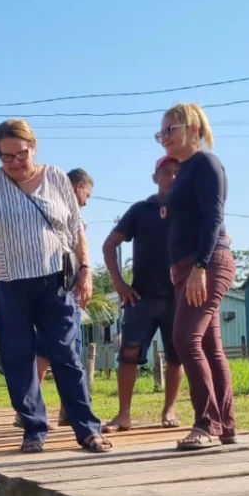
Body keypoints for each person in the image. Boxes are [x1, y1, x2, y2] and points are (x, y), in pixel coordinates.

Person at [0, 119, 111, 454]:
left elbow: (76, 228)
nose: (14, 163)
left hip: (56, 280)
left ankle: (87, 430)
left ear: (33, 147)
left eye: (20, 155)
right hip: (11, 283)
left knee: (67, 354)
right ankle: (34, 429)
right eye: (6, 157)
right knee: (19, 357)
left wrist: (85, 269)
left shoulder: (56, 178)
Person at [156, 103, 236, 450]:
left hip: (205, 266)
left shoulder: (206, 163)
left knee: (185, 339)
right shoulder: (185, 170)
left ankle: (206, 423)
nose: (164, 139)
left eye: (170, 130)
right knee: (209, 347)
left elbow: (214, 217)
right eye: (160, 133)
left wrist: (200, 268)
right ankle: (226, 426)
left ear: (193, 129)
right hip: (186, 270)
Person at [102, 156, 183, 431]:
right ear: (155, 177)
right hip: (141, 298)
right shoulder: (140, 210)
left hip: (178, 298)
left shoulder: (189, 210)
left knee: (177, 356)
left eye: (177, 172)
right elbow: (109, 245)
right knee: (129, 352)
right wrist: (119, 284)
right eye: (166, 173)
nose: (172, 177)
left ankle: (169, 409)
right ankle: (123, 414)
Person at [35, 167, 93, 424]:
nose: (86, 201)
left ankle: (30, 407)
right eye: (87, 195)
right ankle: (70, 409)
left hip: (42, 286)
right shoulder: (72, 212)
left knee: (45, 349)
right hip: (65, 289)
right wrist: (85, 273)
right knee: (70, 350)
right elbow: (79, 248)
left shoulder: (45, 205)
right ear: (79, 187)